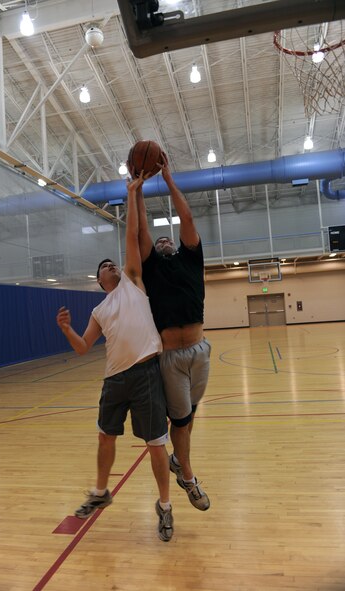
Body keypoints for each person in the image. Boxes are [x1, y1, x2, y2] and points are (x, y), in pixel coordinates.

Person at [56, 172, 173, 542]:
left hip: (146, 374)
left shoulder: (133, 284)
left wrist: (132, 193)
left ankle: (165, 507)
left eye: (114, 264)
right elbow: (82, 347)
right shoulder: (99, 310)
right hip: (114, 380)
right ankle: (101, 492)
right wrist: (66, 329)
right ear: (99, 280)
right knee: (106, 438)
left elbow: (130, 238)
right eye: (106, 266)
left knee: (156, 444)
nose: (112, 266)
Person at [132, 153, 211, 511]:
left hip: (200, 351)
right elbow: (142, 231)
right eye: (160, 241)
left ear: (178, 244)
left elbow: (188, 217)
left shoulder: (191, 257)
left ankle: (181, 460)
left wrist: (168, 178)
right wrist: (137, 190)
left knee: (188, 418)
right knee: (180, 421)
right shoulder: (152, 268)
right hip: (172, 357)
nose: (164, 241)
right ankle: (189, 479)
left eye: (169, 239)